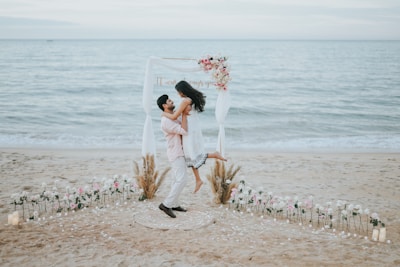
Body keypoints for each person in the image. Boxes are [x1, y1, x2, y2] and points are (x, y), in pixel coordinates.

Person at [162, 80, 226, 194]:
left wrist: (163, 114)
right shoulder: (191, 99)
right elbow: (178, 114)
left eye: (178, 92)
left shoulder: (185, 101)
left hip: (189, 131)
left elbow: (174, 116)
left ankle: (213, 156)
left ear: (182, 91)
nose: (178, 94)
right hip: (194, 129)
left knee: (191, 154)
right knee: (191, 155)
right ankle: (198, 179)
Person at [157, 94, 191, 218]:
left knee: (176, 179)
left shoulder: (169, 117)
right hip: (176, 152)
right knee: (182, 179)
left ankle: (174, 204)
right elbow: (184, 131)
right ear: (164, 106)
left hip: (178, 151)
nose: (172, 102)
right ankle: (166, 204)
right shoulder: (166, 121)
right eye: (169, 101)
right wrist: (184, 115)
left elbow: (178, 116)